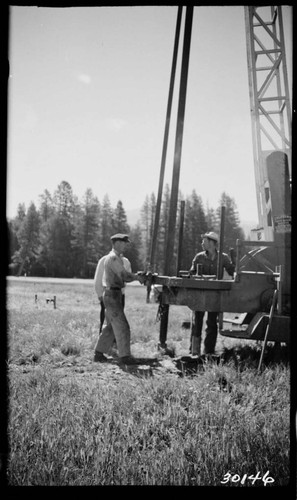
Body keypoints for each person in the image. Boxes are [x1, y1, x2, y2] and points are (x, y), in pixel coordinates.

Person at [93, 233, 145, 365]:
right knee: (123, 326)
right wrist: (138, 278)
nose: (126, 245)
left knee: (110, 327)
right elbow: (124, 276)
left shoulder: (115, 258)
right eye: (123, 243)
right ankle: (125, 356)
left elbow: (125, 275)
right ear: (116, 243)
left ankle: (98, 354)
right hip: (113, 295)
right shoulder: (113, 258)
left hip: (113, 294)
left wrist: (135, 276)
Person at [189, 231, 235, 357]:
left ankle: (208, 351)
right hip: (199, 295)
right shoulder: (199, 257)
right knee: (197, 321)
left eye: (204, 241)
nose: (202, 243)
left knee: (211, 322)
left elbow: (232, 271)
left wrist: (237, 268)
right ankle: (194, 350)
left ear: (212, 243)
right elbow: (191, 273)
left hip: (215, 296)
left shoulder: (223, 258)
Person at [94, 253, 132, 332]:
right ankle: (103, 338)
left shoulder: (126, 262)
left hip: (120, 295)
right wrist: (99, 294)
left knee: (118, 318)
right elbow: (98, 278)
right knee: (105, 318)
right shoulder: (104, 260)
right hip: (107, 293)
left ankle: (115, 340)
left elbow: (128, 276)